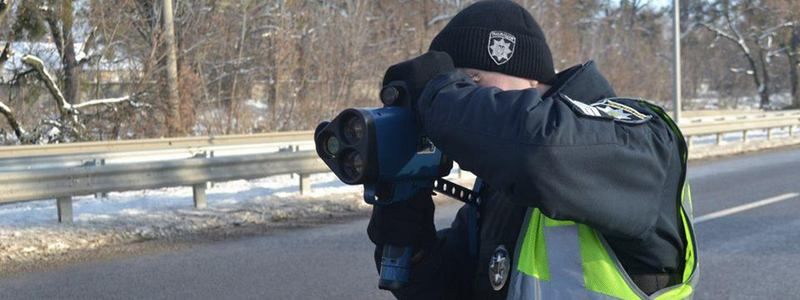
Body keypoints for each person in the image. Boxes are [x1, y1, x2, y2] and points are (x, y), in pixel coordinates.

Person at [367, 0, 698, 299]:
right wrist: (410, 230)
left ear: (526, 77)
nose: (459, 103)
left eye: (469, 83)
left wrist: (439, 96)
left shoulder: (638, 137)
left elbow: (541, 152)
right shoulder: (502, 184)